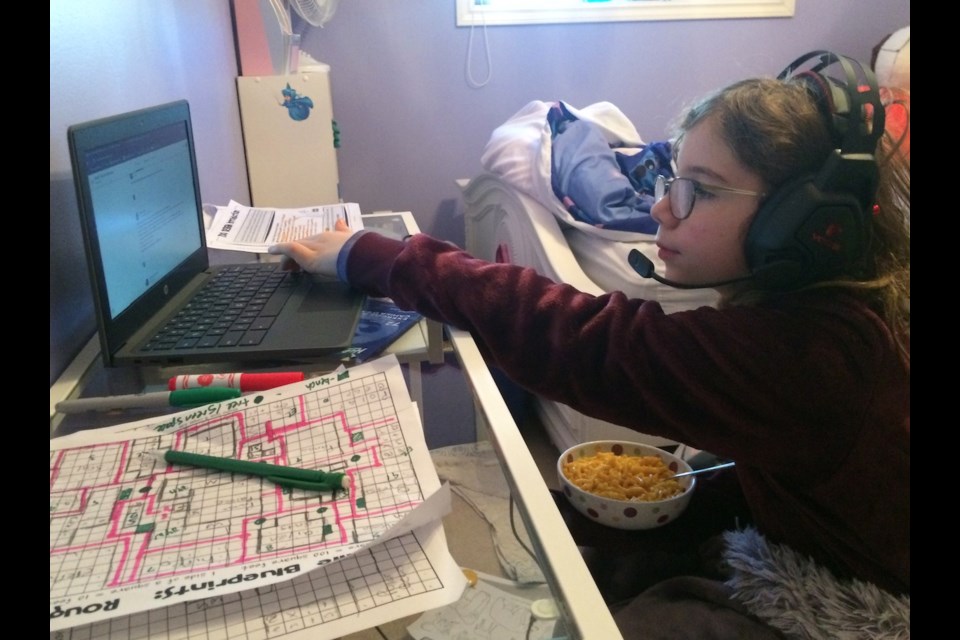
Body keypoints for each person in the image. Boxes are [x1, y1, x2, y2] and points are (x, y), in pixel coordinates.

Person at [269, 52, 909, 635]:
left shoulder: (814, 353)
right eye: (673, 181)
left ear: (800, 223)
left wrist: (376, 257)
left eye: (701, 191)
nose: (663, 210)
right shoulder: (828, 316)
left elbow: (586, 341)